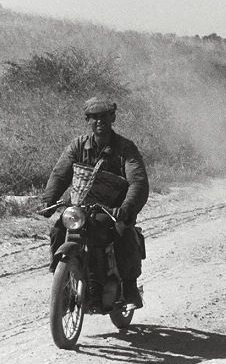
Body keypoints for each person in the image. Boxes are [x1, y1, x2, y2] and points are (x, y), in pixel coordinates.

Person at [42, 97, 149, 308]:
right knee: (57, 230)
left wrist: (126, 208)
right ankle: (62, 283)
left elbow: (138, 181)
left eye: (104, 116)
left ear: (113, 118)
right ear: (87, 120)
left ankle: (129, 288)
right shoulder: (77, 145)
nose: (99, 121)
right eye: (94, 117)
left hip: (113, 210)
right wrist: (48, 201)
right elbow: (60, 174)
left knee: (123, 233)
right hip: (80, 207)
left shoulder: (126, 148)